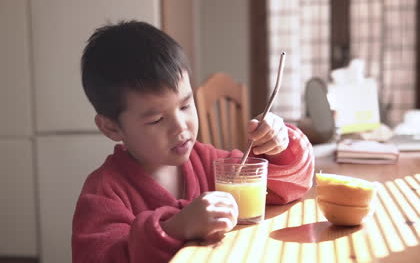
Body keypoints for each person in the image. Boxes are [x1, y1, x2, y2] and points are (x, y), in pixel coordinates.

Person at [72, 20, 314, 263]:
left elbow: (290, 187)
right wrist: (173, 229)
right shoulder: (103, 193)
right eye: (156, 119)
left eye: (186, 105)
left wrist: (279, 148)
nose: (181, 126)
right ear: (111, 127)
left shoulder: (211, 165)